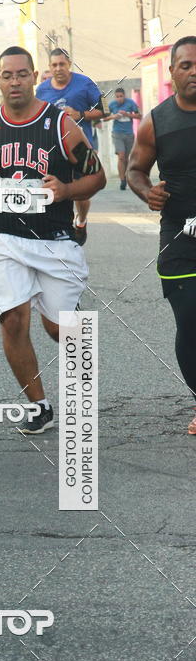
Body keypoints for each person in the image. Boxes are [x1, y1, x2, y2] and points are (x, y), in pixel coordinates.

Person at [0, 46, 106, 434]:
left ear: (34, 77)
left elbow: (98, 177)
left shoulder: (61, 125)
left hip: (55, 239)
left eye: (22, 74)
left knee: (60, 329)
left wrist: (66, 189)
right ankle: (39, 404)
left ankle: (80, 387)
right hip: (4, 237)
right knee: (12, 320)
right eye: (7, 75)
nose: (14, 81)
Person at [127, 35, 196, 435]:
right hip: (179, 236)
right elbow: (136, 169)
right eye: (185, 65)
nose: (193, 71)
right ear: (172, 72)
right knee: (190, 320)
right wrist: (146, 191)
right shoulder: (157, 119)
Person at [36, 47, 104, 245]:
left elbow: (104, 110)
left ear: (69, 64)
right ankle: (58, 230)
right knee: (53, 190)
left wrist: (80, 115)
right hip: (52, 150)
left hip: (80, 149)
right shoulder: (42, 90)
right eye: (54, 65)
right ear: (49, 67)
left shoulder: (86, 83)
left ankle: (81, 221)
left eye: (62, 64)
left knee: (80, 192)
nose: (58, 68)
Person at [103, 87, 141, 189]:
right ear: (115, 97)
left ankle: (126, 176)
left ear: (125, 96)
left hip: (129, 134)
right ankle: (122, 181)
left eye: (121, 96)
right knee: (121, 156)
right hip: (117, 133)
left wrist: (127, 114)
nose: (119, 98)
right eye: (117, 97)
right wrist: (113, 117)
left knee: (127, 158)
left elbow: (139, 115)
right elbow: (104, 118)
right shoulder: (112, 105)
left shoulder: (131, 103)